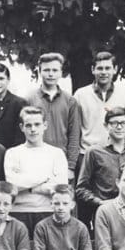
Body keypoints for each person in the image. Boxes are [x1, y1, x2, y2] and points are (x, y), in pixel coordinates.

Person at [4, 106, 68, 237]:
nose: (33, 129)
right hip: (19, 212)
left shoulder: (56, 153)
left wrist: (28, 186)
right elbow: (13, 185)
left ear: (45, 125)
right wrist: (46, 177)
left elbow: (60, 188)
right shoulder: (12, 153)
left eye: (37, 124)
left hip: (48, 211)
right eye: (28, 125)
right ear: (22, 127)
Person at [26, 53, 81, 182]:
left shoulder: (70, 101)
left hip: (61, 161)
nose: (51, 74)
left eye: (55, 70)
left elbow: (74, 135)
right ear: (40, 72)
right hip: (35, 160)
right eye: (46, 70)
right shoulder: (29, 99)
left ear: (61, 72)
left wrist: (71, 167)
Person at [72, 51, 125, 158]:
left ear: (115, 69)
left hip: (115, 154)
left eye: (107, 68)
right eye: (100, 68)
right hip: (87, 154)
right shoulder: (81, 94)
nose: (103, 72)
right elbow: (74, 130)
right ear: (93, 70)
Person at [0, 62, 26, 149]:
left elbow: (21, 137)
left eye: (1, 79)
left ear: (8, 80)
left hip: (10, 154)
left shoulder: (19, 104)